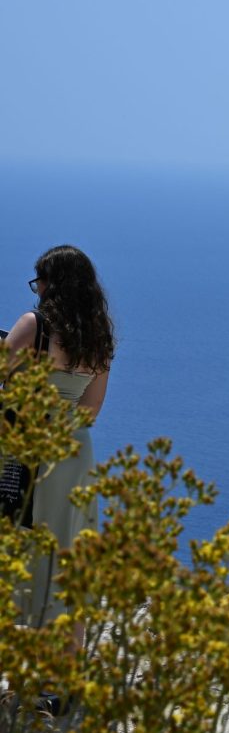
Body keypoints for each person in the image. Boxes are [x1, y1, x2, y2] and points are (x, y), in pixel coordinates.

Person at [5, 246, 114, 628]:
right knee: (67, 549)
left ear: (52, 284)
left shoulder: (33, 324)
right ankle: (67, 652)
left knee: (18, 537)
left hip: (28, 446)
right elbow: (91, 407)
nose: (37, 290)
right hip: (74, 451)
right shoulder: (99, 337)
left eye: (39, 282)